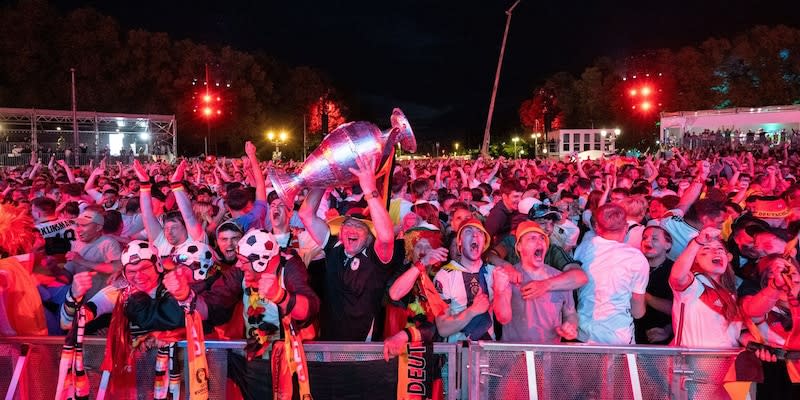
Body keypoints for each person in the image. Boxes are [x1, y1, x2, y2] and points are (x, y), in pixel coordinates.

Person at [299, 154, 398, 341]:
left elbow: (386, 236)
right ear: (340, 230)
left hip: (364, 347)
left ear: (369, 236)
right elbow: (305, 214)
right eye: (348, 225)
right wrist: (324, 179)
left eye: (359, 226)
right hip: (330, 342)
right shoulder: (334, 246)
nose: (352, 229)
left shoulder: (375, 257)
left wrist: (369, 190)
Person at [573, 203, 648, 344]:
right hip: (618, 337)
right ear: (626, 227)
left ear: (596, 227)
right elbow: (638, 312)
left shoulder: (583, 249)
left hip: (582, 333)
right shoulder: (636, 258)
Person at [492, 221, 578, 343]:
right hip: (515, 354)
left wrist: (570, 326)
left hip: (549, 356)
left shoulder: (560, 278)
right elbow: (503, 318)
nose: (539, 241)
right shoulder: (509, 276)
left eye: (542, 238)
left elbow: (570, 313)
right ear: (519, 247)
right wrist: (499, 291)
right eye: (532, 238)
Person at [669, 227, 742, 348]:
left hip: (728, 363)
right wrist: (697, 242)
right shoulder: (694, 286)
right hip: (695, 363)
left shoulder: (731, 293)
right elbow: (678, 276)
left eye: (720, 249)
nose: (716, 252)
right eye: (707, 249)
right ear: (695, 259)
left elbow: (732, 336)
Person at [434, 218, 496, 342]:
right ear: (460, 242)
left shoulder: (494, 273)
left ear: (484, 243)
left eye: (479, 232)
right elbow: (442, 328)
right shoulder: (445, 275)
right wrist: (473, 310)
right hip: (456, 356)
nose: (474, 235)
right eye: (468, 231)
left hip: (488, 353)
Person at [634, 226, 675, 344]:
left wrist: (668, 330)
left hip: (660, 337)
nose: (647, 241)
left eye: (655, 238)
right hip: (633, 336)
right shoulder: (634, 266)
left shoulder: (674, 271)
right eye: (644, 238)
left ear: (667, 245)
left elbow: (677, 308)